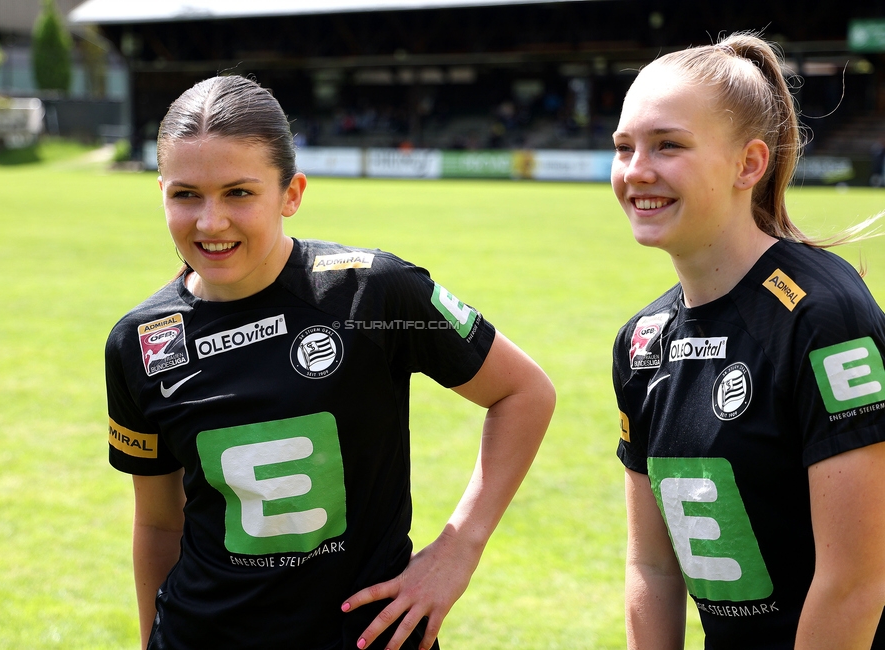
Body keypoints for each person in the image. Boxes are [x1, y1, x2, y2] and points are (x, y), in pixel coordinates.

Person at [104, 74, 555, 650]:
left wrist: (456, 551)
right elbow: (159, 523)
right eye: (186, 194)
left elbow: (524, 393)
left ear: (291, 194)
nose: (209, 222)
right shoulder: (140, 341)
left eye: (239, 193)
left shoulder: (375, 292)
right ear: (161, 190)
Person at [610, 32, 885, 650]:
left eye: (668, 146)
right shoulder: (641, 342)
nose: (637, 171)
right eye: (624, 147)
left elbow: (856, 584)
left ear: (749, 164)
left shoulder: (823, 318)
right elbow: (652, 567)